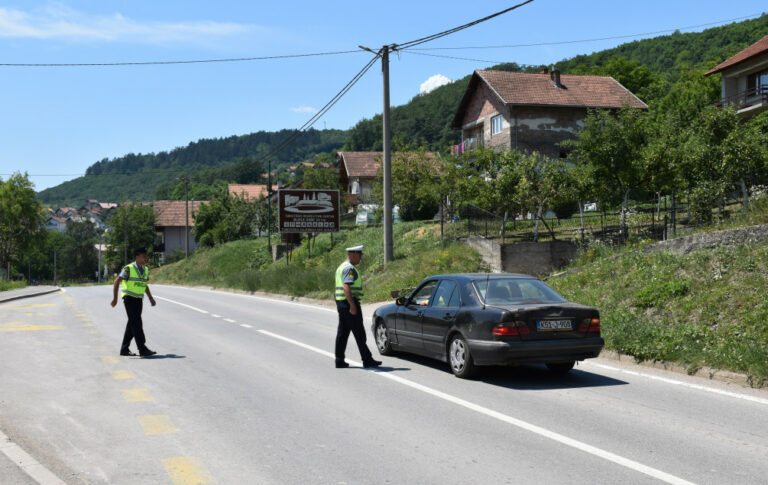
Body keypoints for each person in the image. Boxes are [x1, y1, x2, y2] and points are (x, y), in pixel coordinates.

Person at [334, 245, 381, 369]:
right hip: (348, 303)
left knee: (343, 332)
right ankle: (367, 359)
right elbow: (346, 286)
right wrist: (352, 305)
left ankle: (339, 360)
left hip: (341, 303)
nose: (361, 258)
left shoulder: (342, 266)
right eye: (360, 255)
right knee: (359, 332)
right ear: (353, 255)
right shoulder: (349, 268)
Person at [110, 248, 157, 357]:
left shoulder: (145, 269)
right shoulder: (129, 269)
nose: (145, 258)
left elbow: (144, 285)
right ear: (137, 257)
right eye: (143, 256)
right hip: (129, 299)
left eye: (146, 256)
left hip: (139, 300)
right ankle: (142, 349)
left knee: (132, 323)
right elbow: (117, 281)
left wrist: (150, 298)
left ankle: (124, 349)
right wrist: (115, 298)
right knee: (137, 323)